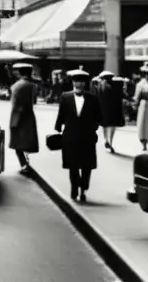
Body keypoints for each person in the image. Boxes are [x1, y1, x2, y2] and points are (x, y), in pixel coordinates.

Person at [54, 68, 102, 203]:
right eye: (76, 81)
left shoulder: (92, 99)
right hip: (70, 135)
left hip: (87, 136)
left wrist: (94, 127)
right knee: (73, 165)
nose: (79, 84)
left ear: (85, 83)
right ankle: (74, 188)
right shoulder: (65, 96)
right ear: (72, 82)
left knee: (87, 166)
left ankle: (84, 188)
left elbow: (99, 117)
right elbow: (61, 114)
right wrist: (57, 127)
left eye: (81, 82)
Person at [8, 63, 39, 174]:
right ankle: (26, 163)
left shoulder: (16, 86)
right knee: (27, 142)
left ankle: (24, 165)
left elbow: (15, 104)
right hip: (29, 116)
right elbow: (34, 101)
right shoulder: (33, 85)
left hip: (18, 117)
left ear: (20, 73)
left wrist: (13, 122)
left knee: (17, 143)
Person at [96, 70, 124, 152]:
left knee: (104, 125)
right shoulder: (115, 86)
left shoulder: (99, 86)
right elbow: (120, 97)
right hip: (113, 109)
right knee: (112, 126)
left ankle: (106, 140)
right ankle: (110, 141)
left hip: (102, 109)